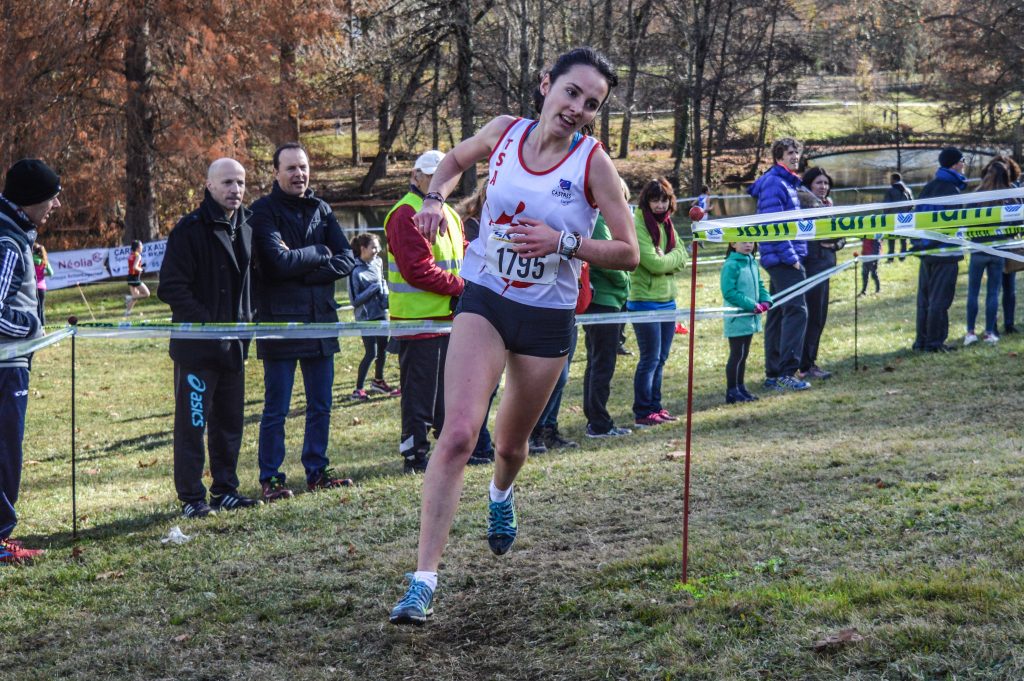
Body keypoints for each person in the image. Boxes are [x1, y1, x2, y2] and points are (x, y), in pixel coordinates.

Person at [388, 47, 637, 625]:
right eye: (572, 92)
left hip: (546, 317)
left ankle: (501, 494)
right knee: (455, 434)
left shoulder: (594, 165)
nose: (578, 108)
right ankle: (422, 581)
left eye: (592, 103)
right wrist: (432, 198)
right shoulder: (504, 132)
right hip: (485, 298)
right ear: (546, 85)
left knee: (509, 445)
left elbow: (626, 251)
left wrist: (563, 243)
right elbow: (450, 162)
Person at [251, 142, 356, 501]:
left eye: (304, 167)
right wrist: (317, 254)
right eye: (291, 168)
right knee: (276, 409)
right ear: (276, 173)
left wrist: (307, 272)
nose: (299, 174)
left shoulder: (321, 208)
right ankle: (272, 479)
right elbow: (276, 264)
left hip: (321, 322)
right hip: (280, 325)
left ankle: (317, 471)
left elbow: (347, 259)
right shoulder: (262, 212)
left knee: (321, 405)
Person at [157, 158, 261, 518]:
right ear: (210, 186)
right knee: (193, 424)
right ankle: (191, 498)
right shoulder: (189, 229)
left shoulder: (248, 225)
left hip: (235, 346)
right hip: (197, 350)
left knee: (230, 423)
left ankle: (226, 490)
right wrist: (209, 323)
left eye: (242, 183)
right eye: (229, 183)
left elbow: (254, 281)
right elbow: (170, 287)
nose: (236, 190)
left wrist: (248, 321)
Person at [385, 150, 466, 474]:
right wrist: (463, 287)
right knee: (419, 394)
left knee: (446, 394)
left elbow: (462, 255)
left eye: (442, 174)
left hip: (448, 320)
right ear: (414, 176)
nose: (437, 181)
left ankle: (442, 448)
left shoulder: (450, 213)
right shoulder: (406, 212)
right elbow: (417, 270)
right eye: (430, 174)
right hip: (418, 322)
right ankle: (414, 454)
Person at [0, 159, 61, 565]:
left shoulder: (16, 233)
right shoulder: (7, 241)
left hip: (11, 364)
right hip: (5, 368)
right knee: (6, 452)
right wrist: (30, 324)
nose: (57, 203)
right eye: (52, 195)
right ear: (32, 199)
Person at [750, 138, 811, 391]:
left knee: (776, 313)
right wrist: (792, 258)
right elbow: (772, 224)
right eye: (789, 153)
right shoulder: (775, 183)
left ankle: (773, 374)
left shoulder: (786, 182)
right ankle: (787, 371)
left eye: (796, 152)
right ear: (778, 157)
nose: (794, 156)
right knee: (797, 311)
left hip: (781, 257)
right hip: (782, 258)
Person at [627, 178, 686, 427]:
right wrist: (670, 260)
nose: (660, 205)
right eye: (655, 200)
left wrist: (670, 258)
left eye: (664, 200)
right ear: (646, 201)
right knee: (649, 358)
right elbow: (652, 263)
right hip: (645, 301)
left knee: (661, 358)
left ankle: (655, 406)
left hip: (667, 301)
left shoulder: (668, 225)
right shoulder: (638, 223)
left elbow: (683, 256)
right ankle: (643, 411)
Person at [583, 177, 632, 438]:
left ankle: (596, 418)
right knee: (602, 363)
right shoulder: (599, 222)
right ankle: (599, 422)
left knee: (598, 362)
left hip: (610, 300)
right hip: (603, 302)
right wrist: (626, 279)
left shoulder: (607, 223)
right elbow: (608, 260)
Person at [913, 147, 967, 353]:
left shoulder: (929, 186)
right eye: (962, 161)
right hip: (945, 252)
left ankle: (922, 341)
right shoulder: (950, 189)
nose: (964, 165)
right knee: (940, 300)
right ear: (955, 164)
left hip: (927, 252)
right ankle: (935, 343)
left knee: (925, 299)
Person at [798, 167, 844, 380]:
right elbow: (809, 237)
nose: (823, 187)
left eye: (826, 183)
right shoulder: (805, 206)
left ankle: (809, 361)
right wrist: (825, 241)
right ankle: (805, 364)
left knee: (820, 317)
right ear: (809, 185)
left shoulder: (828, 206)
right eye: (819, 183)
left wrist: (834, 244)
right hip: (812, 267)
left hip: (825, 266)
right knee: (812, 317)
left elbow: (840, 236)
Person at [963, 161, 1015, 346]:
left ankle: (970, 332)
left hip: (977, 249)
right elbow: (1017, 221)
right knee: (993, 292)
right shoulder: (1009, 197)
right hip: (998, 249)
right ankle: (989, 332)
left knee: (973, 292)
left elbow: (966, 220)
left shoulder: (975, 196)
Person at [346, 232, 398, 400]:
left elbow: (382, 282)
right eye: (374, 247)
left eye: (378, 246)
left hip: (381, 313)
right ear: (363, 248)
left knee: (383, 350)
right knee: (371, 353)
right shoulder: (354, 270)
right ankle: (358, 389)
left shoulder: (378, 262)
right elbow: (355, 301)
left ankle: (378, 381)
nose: (378, 250)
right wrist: (373, 289)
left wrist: (385, 297)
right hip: (366, 318)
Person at [720, 242, 772, 403]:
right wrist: (752, 305)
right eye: (743, 242)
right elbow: (729, 292)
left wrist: (766, 300)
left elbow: (760, 284)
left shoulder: (751, 261)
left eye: (751, 241)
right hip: (737, 317)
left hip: (750, 317)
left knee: (744, 354)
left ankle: (741, 387)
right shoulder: (731, 265)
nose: (748, 245)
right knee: (736, 354)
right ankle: (732, 391)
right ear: (733, 244)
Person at [883, 172, 913, 261]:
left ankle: (890, 258)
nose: (890, 181)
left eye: (891, 179)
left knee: (891, 239)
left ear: (894, 179)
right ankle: (902, 257)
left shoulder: (890, 191)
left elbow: (886, 206)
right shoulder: (908, 190)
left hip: (892, 218)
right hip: (905, 218)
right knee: (903, 239)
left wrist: (885, 216)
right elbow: (912, 204)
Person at [124, 240, 151, 315]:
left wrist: (140, 267)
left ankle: (127, 313)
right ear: (137, 248)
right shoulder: (138, 256)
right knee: (147, 294)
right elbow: (135, 267)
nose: (142, 247)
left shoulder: (131, 254)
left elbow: (133, 266)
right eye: (141, 246)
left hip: (130, 277)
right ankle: (129, 298)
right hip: (135, 278)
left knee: (136, 296)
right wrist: (141, 269)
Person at [31, 243, 52, 327]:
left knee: (35, 308)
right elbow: (51, 272)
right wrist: (42, 275)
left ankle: (36, 326)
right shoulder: (44, 261)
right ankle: (43, 327)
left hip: (34, 287)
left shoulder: (31, 259)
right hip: (42, 287)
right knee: (42, 308)